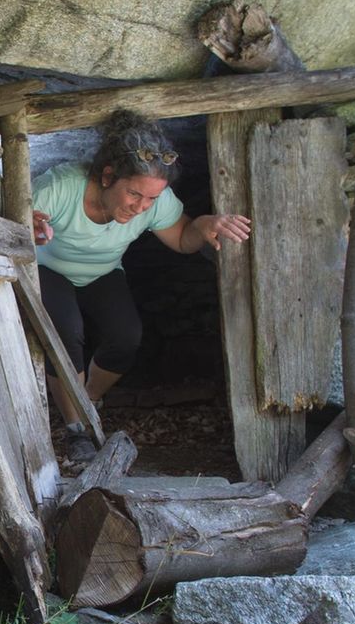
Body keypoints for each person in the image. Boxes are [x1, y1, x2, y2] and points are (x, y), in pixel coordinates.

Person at [32, 109, 251, 462]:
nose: (142, 207)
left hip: (102, 271)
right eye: (135, 194)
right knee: (66, 332)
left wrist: (205, 224)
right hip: (48, 268)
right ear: (107, 176)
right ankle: (76, 432)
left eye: (151, 199)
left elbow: (182, 238)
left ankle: (86, 404)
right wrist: (29, 226)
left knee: (126, 338)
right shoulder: (60, 187)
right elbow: (13, 224)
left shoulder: (155, 203)